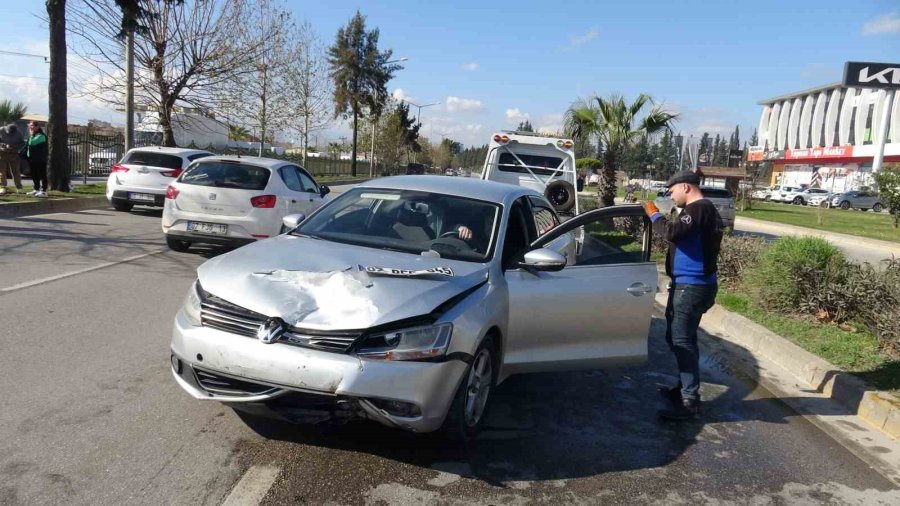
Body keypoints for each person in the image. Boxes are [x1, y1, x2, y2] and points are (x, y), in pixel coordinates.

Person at [643, 170, 723, 421]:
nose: (670, 194)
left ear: (685, 187)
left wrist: (653, 213)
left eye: (672, 190)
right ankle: (684, 388)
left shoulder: (699, 208)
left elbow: (671, 233)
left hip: (693, 286)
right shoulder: (698, 210)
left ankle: (689, 402)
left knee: (681, 341)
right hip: (688, 284)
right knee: (680, 338)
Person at [0, 124, 25, 195]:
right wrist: (4, 145)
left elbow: (22, 143)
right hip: (2, 153)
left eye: (12, 133)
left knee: (16, 171)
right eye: (9, 132)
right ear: (6, 129)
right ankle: (2, 187)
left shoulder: (18, 132)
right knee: (2, 172)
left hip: (14, 154)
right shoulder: (1, 130)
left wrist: (14, 146)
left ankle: (19, 187)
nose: (10, 134)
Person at [25, 122, 48, 197]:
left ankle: (44, 191)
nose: (30, 127)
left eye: (32, 126)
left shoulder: (41, 136)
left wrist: (31, 135)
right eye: (30, 126)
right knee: (34, 174)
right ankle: (36, 189)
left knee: (42, 174)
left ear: (37, 127)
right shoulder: (34, 135)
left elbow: (31, 143)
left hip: (40, 159)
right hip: (32, 158)